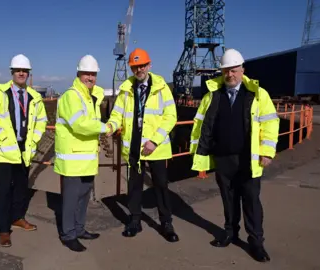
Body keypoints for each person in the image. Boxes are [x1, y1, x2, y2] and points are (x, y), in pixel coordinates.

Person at [190, 48, 279, 262]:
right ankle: (230, 232)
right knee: (228, 200)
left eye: (234, 70)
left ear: (242, 70)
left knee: (251, 200)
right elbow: (200, 125)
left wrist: (267, 151)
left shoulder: (257, 94)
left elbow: (270, 122)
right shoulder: (213, 96)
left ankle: (256, 242)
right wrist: (198, 153)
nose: (230, 74)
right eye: (226, 70)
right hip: (223, 159)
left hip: (247, 159)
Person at [106, 48, 179, 242]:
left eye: (142, 65)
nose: (139, 70)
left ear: (149, 65)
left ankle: (166, 223)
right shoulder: (126, 90)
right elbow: (117, 114)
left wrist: (154, 140)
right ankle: (134, 221)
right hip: (134, 147)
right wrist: (111, 126)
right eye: (135, 67)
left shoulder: (162, 88)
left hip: (156, 147)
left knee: (161, 185)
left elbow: (171, 116)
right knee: (134, 186)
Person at [0, 54, 47, 247]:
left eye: (24, 71)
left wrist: (34, 140)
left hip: (24, 149)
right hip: (4, 149)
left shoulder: (34, 97)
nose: (21, 73)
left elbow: (42, 121)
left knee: (20, 187)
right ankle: (3, 229)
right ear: (12, 72)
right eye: (18, 70)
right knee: (4, 190)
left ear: (28, 74)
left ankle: (17, 217)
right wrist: (2, 136)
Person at [54, 55, 111, 252]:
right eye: (87, 73)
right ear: (78, 74)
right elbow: (80, 125)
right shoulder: (72, 96)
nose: (90, 77)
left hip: (86, 157)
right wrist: (106, 128)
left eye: (93, 74)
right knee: (70, 199)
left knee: (84, 196)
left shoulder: (89, 97)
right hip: (72, 158)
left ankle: (79, 229)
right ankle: (68, 235)